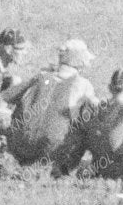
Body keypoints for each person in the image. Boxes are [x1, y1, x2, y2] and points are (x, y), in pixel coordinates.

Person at [6, 40, 101, 171]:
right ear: (80, 60)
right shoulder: (83, 84)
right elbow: (97, 110)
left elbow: (7, 97)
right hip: (54, 152)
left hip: (21, 147)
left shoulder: (41, 77)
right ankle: (64, 167)